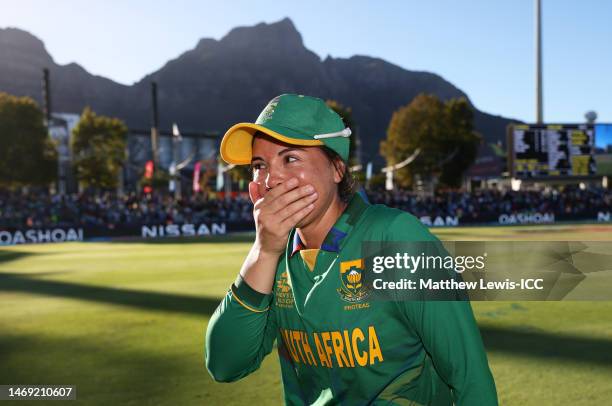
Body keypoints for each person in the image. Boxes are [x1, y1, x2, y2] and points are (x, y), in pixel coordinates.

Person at [205, 94, 498, 405]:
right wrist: (263, 252)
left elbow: (469, 376)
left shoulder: (397, 237)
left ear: (337, 169)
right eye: (258, 165)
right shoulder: (273, 261)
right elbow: (224, 365)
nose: (269, 178)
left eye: (290, 158)